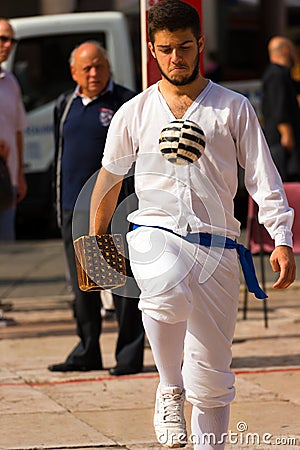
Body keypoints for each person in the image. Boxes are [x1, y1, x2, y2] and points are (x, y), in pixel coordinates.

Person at [88, 1, 296, 448]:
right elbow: (109, 177)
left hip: (218, 247)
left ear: (200, 44)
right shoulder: (134, 112)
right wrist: (94, 244)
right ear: (152, 50)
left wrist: (281, 237)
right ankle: (168, 385)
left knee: (214, 379)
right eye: (165, 49)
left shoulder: (232, 107)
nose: (176, 58)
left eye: (184, 47)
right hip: (154, 233)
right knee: (165, 292)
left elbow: (263, 176)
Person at [48, 41, 144, 375]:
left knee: (120, 284)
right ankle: (87, 351)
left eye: (99, 66)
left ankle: (129, 356)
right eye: (86, 68)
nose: (93, 73)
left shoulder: (126, 102)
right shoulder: (65, 104)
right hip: (73, 208)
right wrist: (59, 201)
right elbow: (61, 157)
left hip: (114, 209)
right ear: (74, 72)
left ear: (109, 67)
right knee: (83, 288)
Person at [0, 18, 27, 241]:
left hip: (6, 182)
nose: (8, 45)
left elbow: (18, 130)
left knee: (6, 252)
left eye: (12, 40)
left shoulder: (11, 82)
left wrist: (19, 175)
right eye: (2, 39)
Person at [262, 36, 300, 181]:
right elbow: (280, 107)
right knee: (286, 181)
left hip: (281, 141)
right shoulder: (276, 75)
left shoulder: (281, 74)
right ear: (286, 50)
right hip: (281, 142)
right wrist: (287, 133)